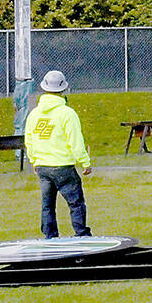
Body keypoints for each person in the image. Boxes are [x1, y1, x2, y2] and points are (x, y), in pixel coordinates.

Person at [24, 70, 93, 238]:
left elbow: (29, 141)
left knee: (47, 205)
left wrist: (34, 161)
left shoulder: (34, 114)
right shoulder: (67, 113)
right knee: (75, 203)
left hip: (43, 167)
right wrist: (85, 162)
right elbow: (75, 142)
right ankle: (81, 234)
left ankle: (50, 237)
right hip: (63, 167)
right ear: (63, 89)